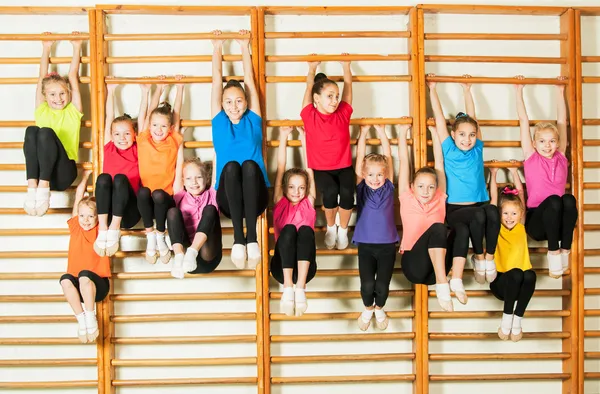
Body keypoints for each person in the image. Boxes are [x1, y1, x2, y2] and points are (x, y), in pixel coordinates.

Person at [428, 73, 500, 304]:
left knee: (491, 212)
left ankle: (486, 257)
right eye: (462, 135)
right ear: (453, 135)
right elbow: (440, 119)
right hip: (454, 208)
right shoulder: (448, 148)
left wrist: (467, 91)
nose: (467, 139)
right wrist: (433, 89)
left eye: (471, 135)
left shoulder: (478, 149)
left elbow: (474, 118)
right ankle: (479, 257)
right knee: (480, 214)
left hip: (479, 204)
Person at [211, 29, 269, 269]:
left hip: (257, 194)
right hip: (228, 197)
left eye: (238, 101)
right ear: (222, 104)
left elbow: (250, 81)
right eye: (228, 101)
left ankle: (252, 238)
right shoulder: (219, 122)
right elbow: (216, 81)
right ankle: (239, 239)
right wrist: (217, 48)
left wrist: (245, 47)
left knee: (248, 165)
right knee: (233, 166)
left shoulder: (253, 120)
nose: (233, 106)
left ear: (246, 103)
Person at [514, 75, 577, 278]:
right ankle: (553, 253)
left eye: (551, 141)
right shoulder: (531, 157)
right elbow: (524, 121)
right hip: (537, 223)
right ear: (534, 143)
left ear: (558, 143)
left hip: (557, 223)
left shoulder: (561, 156)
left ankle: (564, 250)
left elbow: (562, 121)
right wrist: (518, 91)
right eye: (542, 141)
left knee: (568, 199)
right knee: (554, 201)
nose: (547, 145)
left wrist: (560, 91)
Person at [24, 32, 83, 216]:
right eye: (52, 95)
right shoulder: (42, 110)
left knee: (46, 132)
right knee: (32, 130)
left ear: (68, 94)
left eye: (62, 94)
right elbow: (42, 76)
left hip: (64, 173)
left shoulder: (73, 112)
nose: (58, 98)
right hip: (43, 172)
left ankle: (43, 188)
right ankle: (32, 186)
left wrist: (77, 46)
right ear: (45, 95)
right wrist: (46, 47)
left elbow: (72, 75)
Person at [301, 53, 354, 250]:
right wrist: (312, 68)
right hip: (321, 168)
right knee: (330, 193)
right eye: (329, 96)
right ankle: (331, 227)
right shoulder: (309, 115)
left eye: (336, 96)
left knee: (348, 194)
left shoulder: (343, 113)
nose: (334, 100)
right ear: (317, 98)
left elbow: (348, 89)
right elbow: (308, 88)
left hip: (344, 165)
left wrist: (346, 67)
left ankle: (343, 229)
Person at [398, 121, 452, 311]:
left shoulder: (439, 197)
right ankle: (443, 284)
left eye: (431, 187)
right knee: (438, 227)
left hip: (435, 268)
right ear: (412, 187)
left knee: (457, 228)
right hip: (414, 265)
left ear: (437, 188)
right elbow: (404, 161)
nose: (426, 191)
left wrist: (435, 133)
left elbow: (439, 163)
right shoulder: (407, 197)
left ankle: (446, 279)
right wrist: (402, 133)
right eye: (420, 186)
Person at [94, 82, 148, 256]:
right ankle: (103, 228)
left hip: (130, 212)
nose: (122, 138)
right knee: (103, 178)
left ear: (134, 134)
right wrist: (111, 91)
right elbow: (109, 116)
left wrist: (145, 92)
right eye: (117, 134)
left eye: (127, 133)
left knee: (119, 179)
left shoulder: (138, 147)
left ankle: (114, 229)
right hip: (108, 213)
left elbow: (142, 119)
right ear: (111, 135)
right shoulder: (108, 147)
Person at [354, 124, 399, 331]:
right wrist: (363, 134)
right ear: (364, 174)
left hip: (388, 245)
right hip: (365, 245)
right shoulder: (362, 188)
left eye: (379, 175)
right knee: (367, 285)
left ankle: (379, 308)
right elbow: (359, 162)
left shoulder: (388, 187)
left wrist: (382, 133)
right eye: (370, 175)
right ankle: (367, 308)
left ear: (385, 174)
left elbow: (388, 159)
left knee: (382, 285)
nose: (375, 179)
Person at [137, 77, 185, 264]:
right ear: (150, 126)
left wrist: (180, 89)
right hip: (146, 196)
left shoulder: (173, 139)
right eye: (155, 125)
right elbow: (149, 113)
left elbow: (177, 113)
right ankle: (151, 237)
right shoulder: (144, 138)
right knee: (143, 192)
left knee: (157, 194)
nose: (158, 129)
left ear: (170, 128)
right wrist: (159, 89)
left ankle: (160, 235)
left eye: (163, 126)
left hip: (165, 196)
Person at [271, 126, 317, 317]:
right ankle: (288, 287)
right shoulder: (279, 202)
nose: (296, 192)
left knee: (305, 231)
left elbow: (310, 169)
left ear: (307, 189)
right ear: (284, 187)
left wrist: (305, 138)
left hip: (306, 270)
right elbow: (281, 167)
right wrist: (283, 137)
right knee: (289, 229)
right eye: (291, 187)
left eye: (301, 187)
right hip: (281, 268)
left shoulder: (309, 203)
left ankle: (300, 288)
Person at [59, 170, 110, 343]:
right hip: (80, 288)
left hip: (99, 285)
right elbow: (78, 197)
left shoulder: (101, 230)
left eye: (90, 216)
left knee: (84, 275)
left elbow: (104, 207)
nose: (85, 220)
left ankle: (90, 316)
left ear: (98, 217)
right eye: (82, 216)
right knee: (65, 279)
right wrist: (85, 178)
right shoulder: (75, 228)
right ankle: (82, 320)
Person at [489, 161, 536, 341]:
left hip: (520, 283)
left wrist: (515, 172)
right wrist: (493, 174)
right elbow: (493, 199)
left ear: (521, 213)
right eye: (505, 214)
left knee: (530, 275)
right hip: (501, 283)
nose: (509, 218)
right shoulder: (495, 228)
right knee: (516, 273)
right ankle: (506, 318)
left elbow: (521, 194)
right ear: (499, 215)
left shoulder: (521, 227)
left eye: (514, 214)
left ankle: (517, 319)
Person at [167, 158, 222, 279]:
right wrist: (180, 142)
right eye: (188, 178)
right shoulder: (180, 196)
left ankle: (193, 250)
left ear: (206, 179)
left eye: (199, 177)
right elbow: (178, 168)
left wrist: (216, 146)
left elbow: (217, 165)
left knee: (210, 209)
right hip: (184, 260)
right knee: (172, 212)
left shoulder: (212, 194)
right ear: (183, 182)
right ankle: (179, 256)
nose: (194, 182)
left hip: (208, 256)